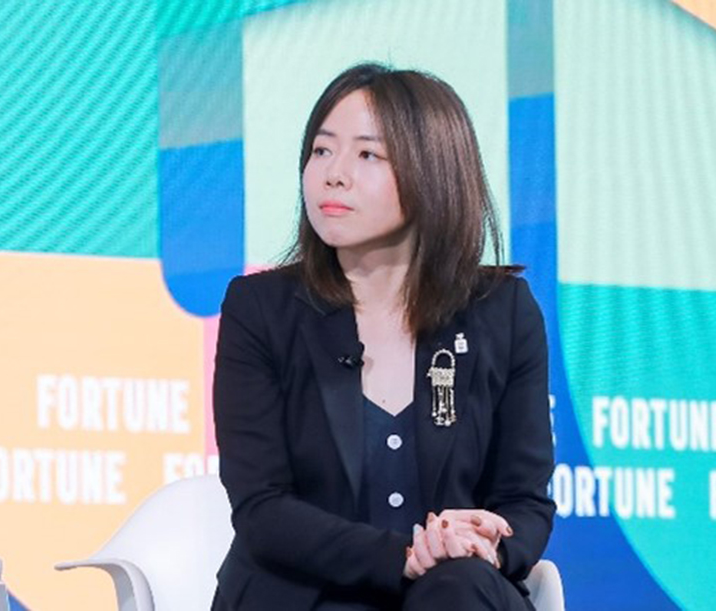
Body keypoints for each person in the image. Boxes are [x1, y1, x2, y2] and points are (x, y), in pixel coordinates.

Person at [212, 63, 555, 611]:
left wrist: (484, 543)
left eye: (367, 155)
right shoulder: (261, 309)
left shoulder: (502, 312)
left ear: (433, 171)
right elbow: (262, 507)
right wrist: (406, 556)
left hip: (454, 595)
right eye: (321, 150)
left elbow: (524, 501)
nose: (333, 174)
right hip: (307, 595)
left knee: (458, 588)